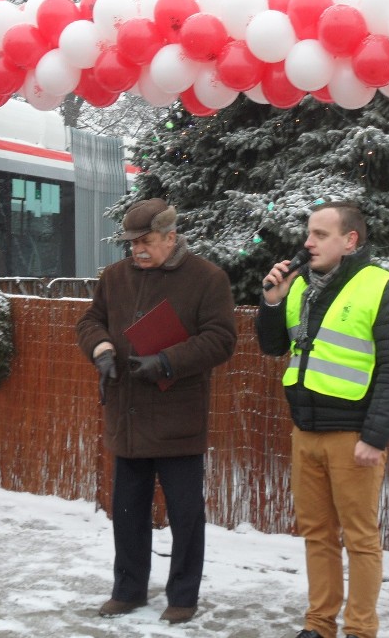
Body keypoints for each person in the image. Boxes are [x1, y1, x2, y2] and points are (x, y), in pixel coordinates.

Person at [255, 201, 389, 638]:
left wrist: (375, 436)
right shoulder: (301, 285)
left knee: (361, 540)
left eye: (320, 235)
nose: (308, 242)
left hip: (353, 437)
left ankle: (360, 630)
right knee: (317, 536)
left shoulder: (380, 287)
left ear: (350, 241)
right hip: (306, 431)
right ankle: (319, 625)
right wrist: (272, 301)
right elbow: (274, 347)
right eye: (309, 233)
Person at [77, 198, 237, 624]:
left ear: (171, 237)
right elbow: (90, 320)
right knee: (127, 511)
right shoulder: (114, 277)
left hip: (177, 419)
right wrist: (102, 349)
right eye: (132, 243)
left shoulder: (208, 279)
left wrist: (167, 360)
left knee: (186, 516)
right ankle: (127, 590)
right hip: (127, 415)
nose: (138, 251)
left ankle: (182, 596)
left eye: (146, 241)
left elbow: (221, 339)